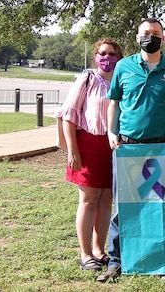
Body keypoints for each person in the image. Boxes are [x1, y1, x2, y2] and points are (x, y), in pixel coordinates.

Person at [98, 18, 165, 283]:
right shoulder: (123, 66)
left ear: (162, 38)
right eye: (145, 33)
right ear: (137, 37)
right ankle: (117, 260)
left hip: (162, 149)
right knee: (123, 207)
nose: (150, 37)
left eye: (155, 34)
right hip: (128, 148)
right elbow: (114, 103)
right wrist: (111, 131)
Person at [55, 37, 123, 271]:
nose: (107, 58)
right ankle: (85, 253)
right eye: (102, 53)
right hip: (88, 144)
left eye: (112, 54)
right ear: (95, 56)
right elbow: (68, 114)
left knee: (106, 201)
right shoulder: (87, 79)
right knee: (88, 200)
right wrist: (72, 150)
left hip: (112, 146)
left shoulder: (121, 80)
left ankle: (99, 249)